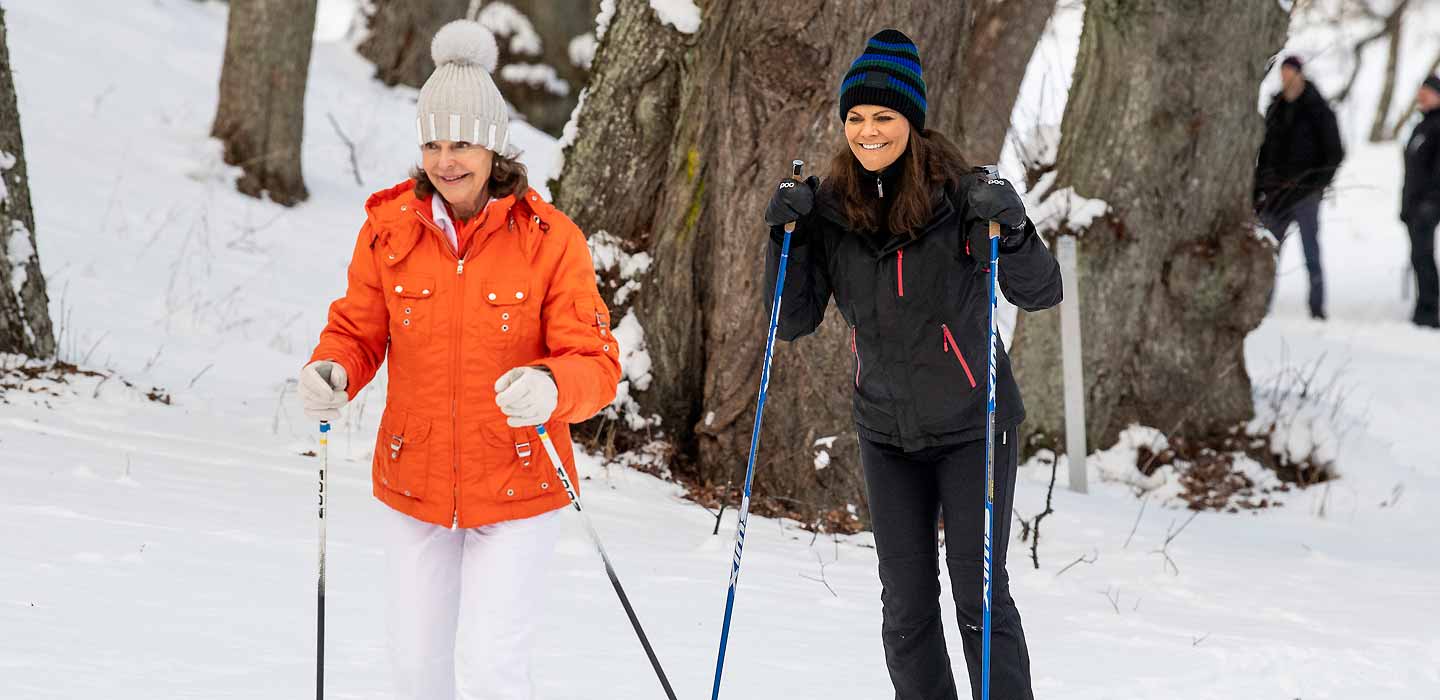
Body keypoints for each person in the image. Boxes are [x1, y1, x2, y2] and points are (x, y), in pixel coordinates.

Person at [297, 20, 620, 700]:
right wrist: (334, 369)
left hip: (518, 486)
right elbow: (357, 330)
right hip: (414, 483)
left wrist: (550, 384)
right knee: (416, 670)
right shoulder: (389, 231)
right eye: (434, 142)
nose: (447, 160)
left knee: (491, 668)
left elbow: (594, 363)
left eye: (463, 142)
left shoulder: (550, 240)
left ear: (494, 144)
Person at [763, 29, 1062, 700]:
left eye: (884, 117)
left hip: (972, 424)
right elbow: (792, 320)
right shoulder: (832, 210)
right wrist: (780, 241)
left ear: (912, 123)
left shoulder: (963, 198)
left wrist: (1013, 230)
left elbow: (1041, 291)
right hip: (887, 433)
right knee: (905, 608)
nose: (868, 130)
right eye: (857, 117)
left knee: (978, 597)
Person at [1254, 55, 1346, 320]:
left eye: (1290, 74)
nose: (1286, 80)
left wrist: (1316, 185)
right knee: (1268, 252)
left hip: (1306, 194)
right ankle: (1262, 305)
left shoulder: (1318, 109)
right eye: (1282, 75)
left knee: (1311, 252)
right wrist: (1260, 187)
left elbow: (1334, 152)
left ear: (1301, 75)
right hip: (1275, 194)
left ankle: (1317, 307)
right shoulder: (1275, 108)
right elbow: (1265, 152)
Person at [1401, 74, 1440, 328]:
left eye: (1427, 92)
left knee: (1424, 257)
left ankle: (1429, 309)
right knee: (1418, 257)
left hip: (1430, 205)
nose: (1422, 96)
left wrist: (1431, 201)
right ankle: (1422, 305)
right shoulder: (1420, 126)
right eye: (1421, 92)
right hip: (1414, 206)